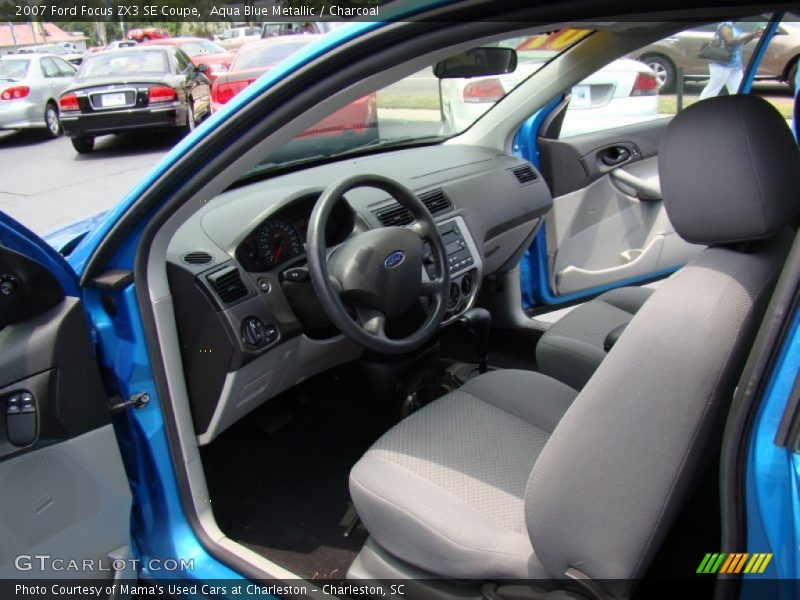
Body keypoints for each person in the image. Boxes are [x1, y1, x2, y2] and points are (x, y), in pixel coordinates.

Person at [699, 21, 762, 100]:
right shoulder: (725, 25)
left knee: (739, 90)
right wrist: (751, 34)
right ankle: (702, 107)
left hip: (735, 64)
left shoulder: (736, 26)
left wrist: (753, 36)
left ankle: (738, 109)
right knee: (714, 88)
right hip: (721, 63)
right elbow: (730, 41)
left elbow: (740, 43)